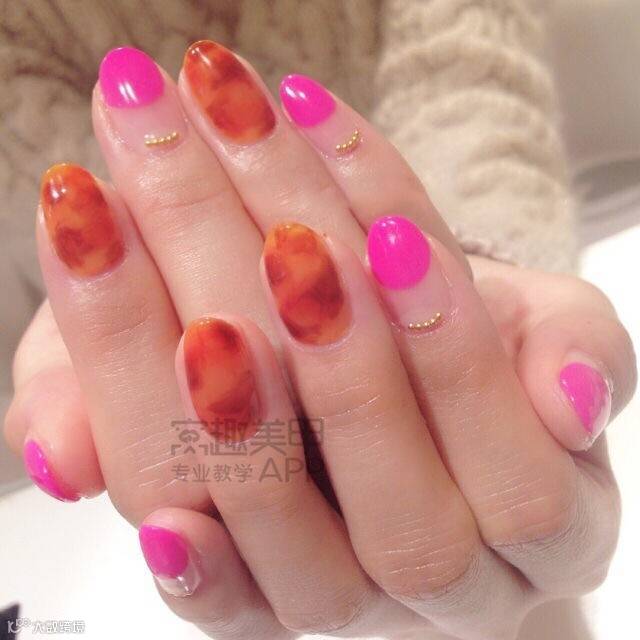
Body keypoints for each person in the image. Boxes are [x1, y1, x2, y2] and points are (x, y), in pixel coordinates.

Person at [2, 3, 636, 639]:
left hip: (434, 310)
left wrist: (464, 265)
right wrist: (99, 312)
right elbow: (112, 208)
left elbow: (468, 82)